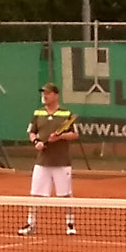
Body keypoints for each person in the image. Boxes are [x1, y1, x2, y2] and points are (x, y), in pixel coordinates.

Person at [18, 82, 79, 236]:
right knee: (35, 194)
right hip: (42, 162)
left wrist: (60, 137)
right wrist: (36, 142)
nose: (44, 96)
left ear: (56, 95)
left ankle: (70, 224)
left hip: (62, 162)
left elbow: (74, 134)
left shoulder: (66, 114)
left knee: (65, 195)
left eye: (48, 93)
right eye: (43, 93)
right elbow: (32, 132)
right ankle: (31, 224)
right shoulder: (37, 113)